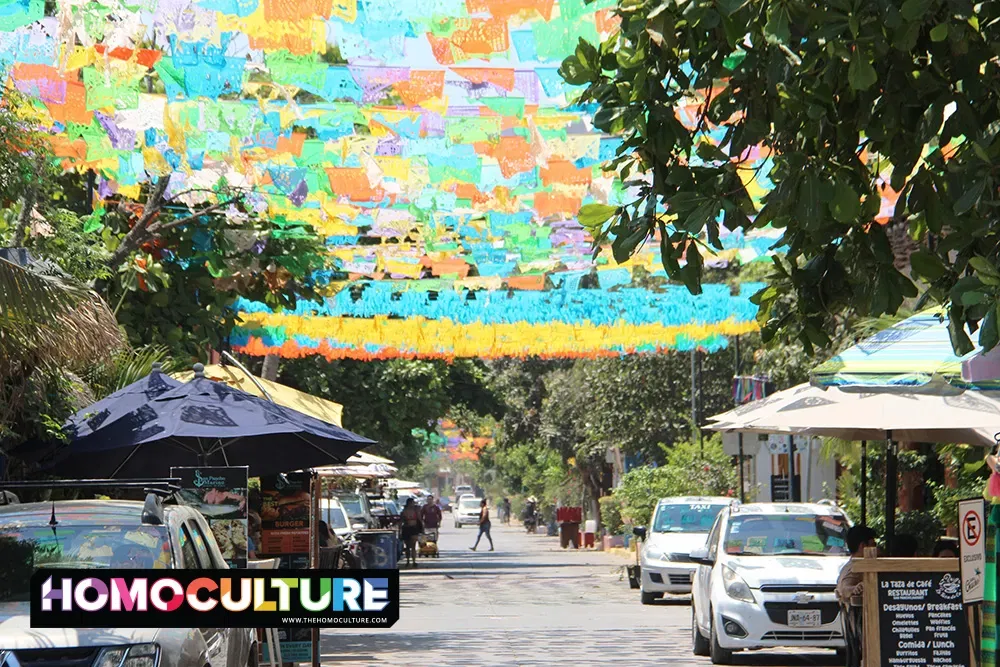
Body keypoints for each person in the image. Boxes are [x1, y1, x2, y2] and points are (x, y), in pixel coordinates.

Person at [836, 525, 877, 604]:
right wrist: (855, 589)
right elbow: (845, 588)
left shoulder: (848, 565)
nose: (876, 549)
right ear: (863, 546)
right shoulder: (857, 568)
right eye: (873, 545)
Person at [400, 498, 423, 567]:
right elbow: (401, 521)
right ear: (409, 503)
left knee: (412, 546)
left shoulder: (414, 511)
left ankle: (412, 561)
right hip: (408, 529)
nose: (413, 504)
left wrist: (422, 528)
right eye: (412, 503)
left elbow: (419, 519)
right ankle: (409, 561)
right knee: (408, 547)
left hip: (412, 529)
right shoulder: (405, 511)